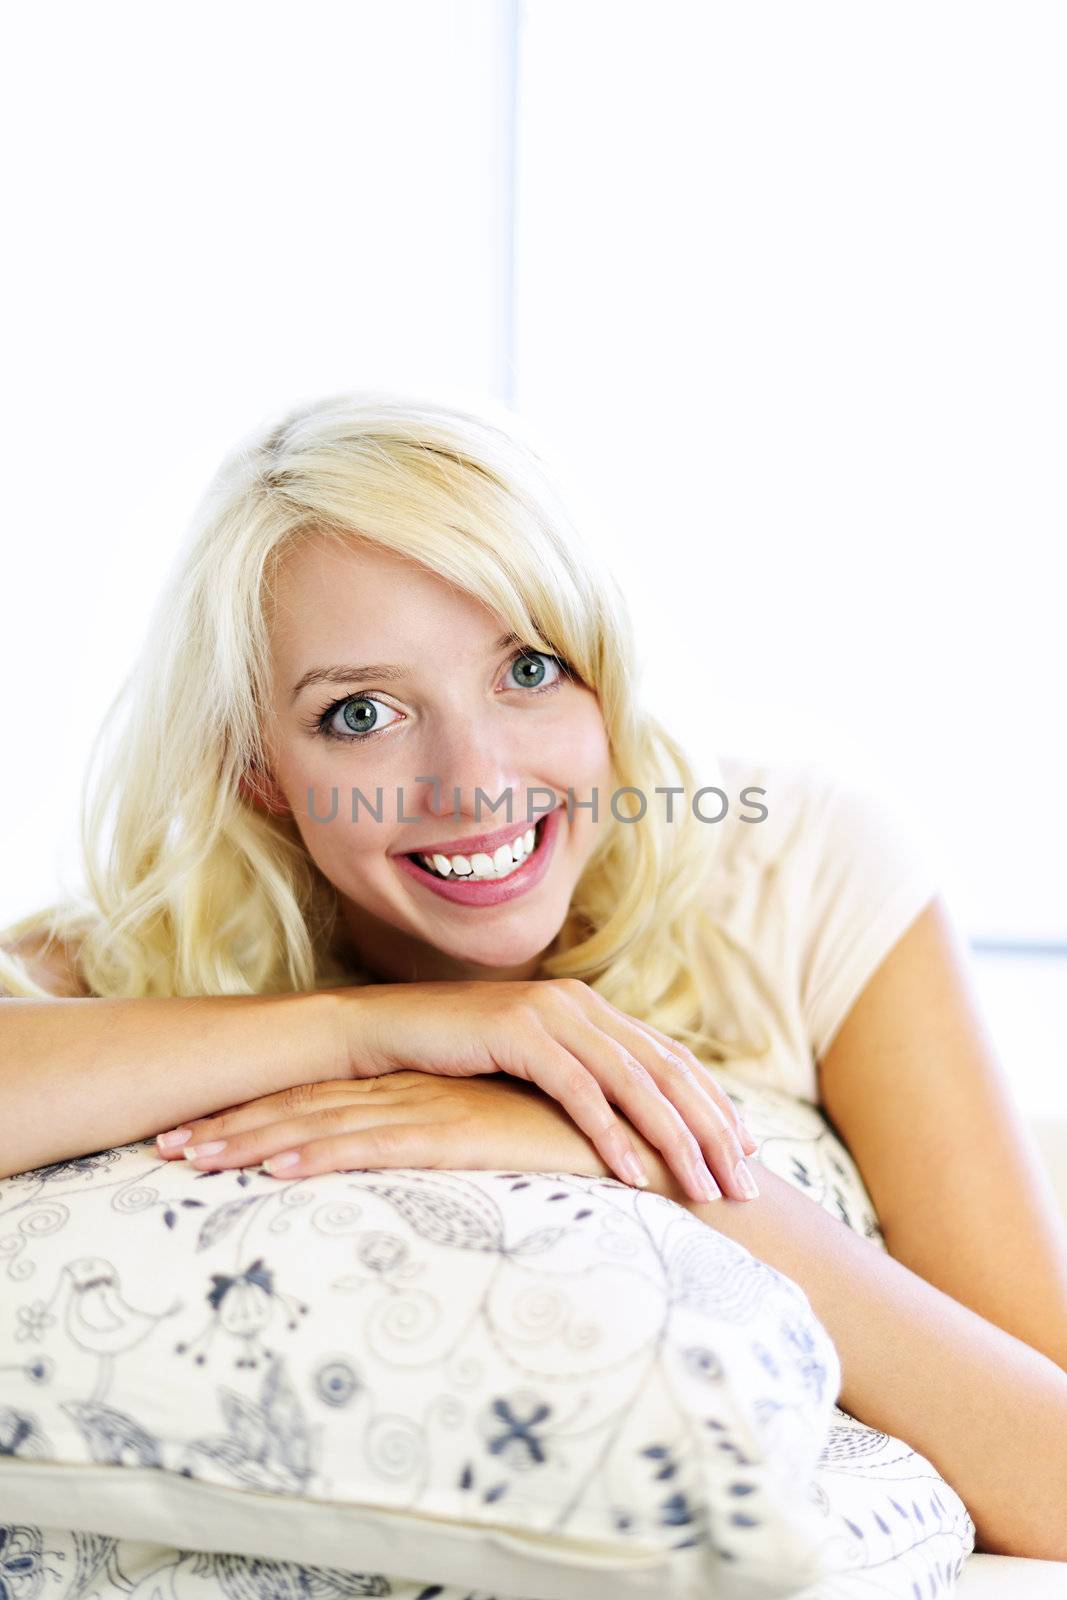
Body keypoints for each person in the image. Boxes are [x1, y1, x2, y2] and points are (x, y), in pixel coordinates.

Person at [2, 390, 1066, 1558]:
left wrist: (635, 1151)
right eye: (360, 713)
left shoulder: (798, 868)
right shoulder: (166, 944)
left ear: (605, 676)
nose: (475, 784)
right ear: (260, 772)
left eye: (530, 669)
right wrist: (368, 1030)